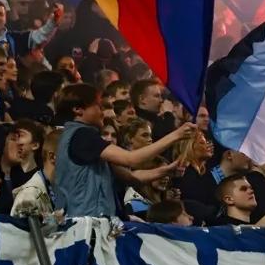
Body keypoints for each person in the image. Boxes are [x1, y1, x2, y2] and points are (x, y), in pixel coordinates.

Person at [52, 83, 185, 218]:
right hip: (85, 226)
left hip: (90, 223)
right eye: (98, 106)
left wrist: (166, 171)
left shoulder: (81, 137)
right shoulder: (82, 135)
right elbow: (131, 159)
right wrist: (176, 135)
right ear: (78, 109)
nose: (102, 112)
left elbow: (132, 177)